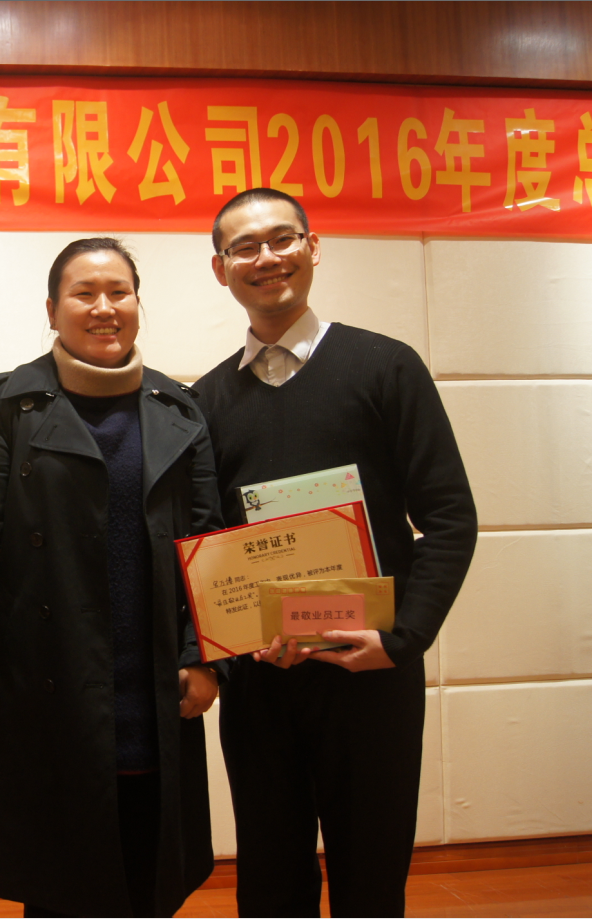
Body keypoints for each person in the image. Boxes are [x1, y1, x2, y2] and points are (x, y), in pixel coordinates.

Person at [192, 188, 478, 917]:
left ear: (312, 247)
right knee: (270, 880)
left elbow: (449, 518)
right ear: (221, 269)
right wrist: (225, 650)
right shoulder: (204, 402)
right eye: (244, 247)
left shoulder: (386, 367)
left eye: (282, 239)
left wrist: (401, 639)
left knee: (371, 877)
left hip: (370, 672)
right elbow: (201, 545)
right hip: (262, 680)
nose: (266, 257)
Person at [0, 238, 223, 917]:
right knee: (60, 881)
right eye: (83, 293)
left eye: (118, 292)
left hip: (154, 681)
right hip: (47, 678)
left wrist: (205, 658)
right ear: (51, 309)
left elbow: (207, 547)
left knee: (148, 872)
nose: (103, 307)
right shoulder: (9, 407)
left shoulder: (179, 408)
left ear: (138, 303)